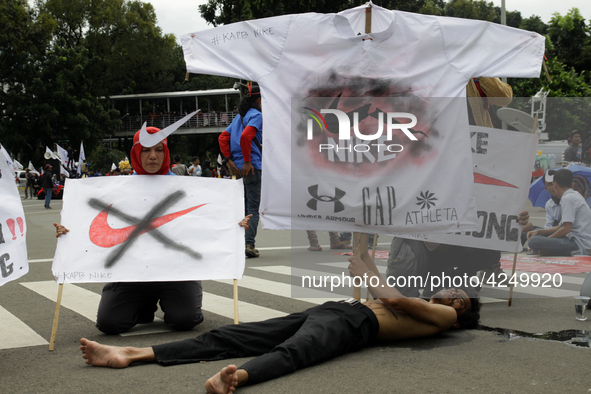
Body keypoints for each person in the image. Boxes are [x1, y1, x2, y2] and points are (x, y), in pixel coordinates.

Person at [78, 252, 481, 393]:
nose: (453, 297)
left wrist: (367, 273)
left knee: (294, 352)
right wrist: (367, 260)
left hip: (353, 325)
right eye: (455, 293)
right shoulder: (427, 304)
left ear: (460, 317)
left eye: (460, 301)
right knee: (232, 335)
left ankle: (237, 379)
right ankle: (133, 352)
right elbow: (391, 292)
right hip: (333, 310)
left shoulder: (444, 319)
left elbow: (391, 298)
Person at [54, 127, 250, 335]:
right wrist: (69, 231)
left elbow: (209, 220)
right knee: (109, 323)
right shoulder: (116, 189)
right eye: (146, 150)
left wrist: (235, 223)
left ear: (166, 152)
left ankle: (177, 302)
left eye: (159, 149)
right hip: (130, 273)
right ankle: (143, 307)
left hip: (177, 272)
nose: (153, 156)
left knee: (184, 320)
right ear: (136, 154)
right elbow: (88, 222)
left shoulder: (188, 188)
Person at [219, 83, 263, 258]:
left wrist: (230, 162)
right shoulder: (257, 115)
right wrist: (247, 161)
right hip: (251, 167)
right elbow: (246, 136)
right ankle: (249, 243)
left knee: (241, 207)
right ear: (259, 100)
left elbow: (223, 137)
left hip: (237, 170)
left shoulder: (240, 117)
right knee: (253, 207)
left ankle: (238, 243)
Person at [527, 169, 591, 256]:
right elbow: (560, 227)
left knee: (534, 241)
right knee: (536, 233)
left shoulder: (568, 198)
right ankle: (550, 249)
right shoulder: (573, 195)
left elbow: (566, 229)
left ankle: (551, 250)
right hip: (572, 239)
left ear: (555, 185)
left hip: (578, 244)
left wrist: (548, 241)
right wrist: (539, 232)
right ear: (572, 184)